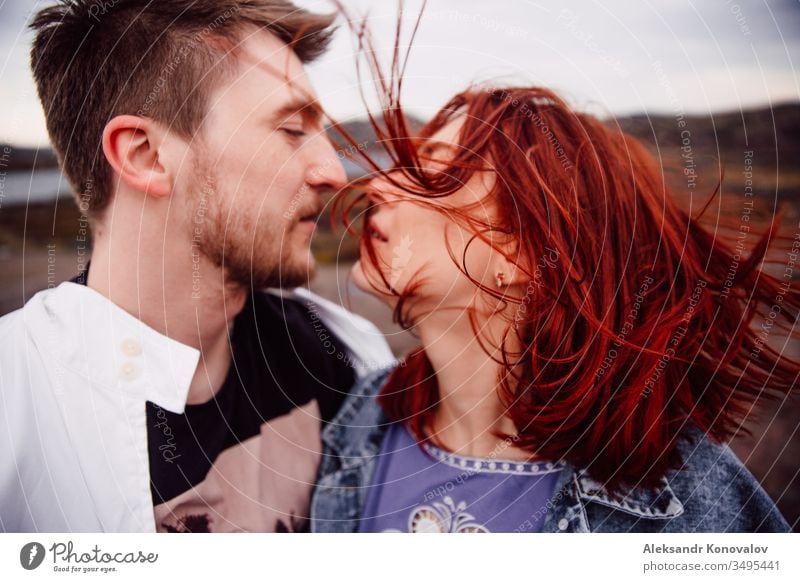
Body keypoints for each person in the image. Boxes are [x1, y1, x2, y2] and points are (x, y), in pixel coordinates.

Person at [311, 85, 798, 533]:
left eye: (433, 169)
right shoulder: (359, 417)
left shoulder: (693, 508)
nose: (379, 186)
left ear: (521, 252)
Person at [0, 0, 393, 533]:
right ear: (145, 155)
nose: (330, 171)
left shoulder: (344, 352)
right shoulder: (16, 414)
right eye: (292, 130)